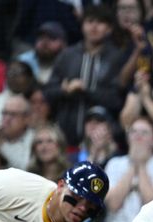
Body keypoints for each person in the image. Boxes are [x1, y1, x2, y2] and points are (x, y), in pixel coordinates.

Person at [44, 5, 128, 147]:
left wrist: (86, 90)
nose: (94, 27)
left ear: (109, 28)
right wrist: (64, 90)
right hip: (66, 138)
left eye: (100, 22)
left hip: (104, 140)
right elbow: (48, 92)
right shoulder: (67, 55)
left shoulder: (117, 58)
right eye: (89, 21)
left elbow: (117, 100)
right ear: (82, 26)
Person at [103, 116, 153, 222]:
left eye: (144, 132)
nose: (138, 136)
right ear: (128, 138)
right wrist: (133, 165)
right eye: (133, 131)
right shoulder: (114, 163)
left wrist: (141, 165)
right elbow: (112, 204)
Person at [17, 21, 67, 85]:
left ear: (64, 44)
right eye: (41, 38)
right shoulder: (23, 61)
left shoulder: (69, 64)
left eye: (52, 38)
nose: (45, 42)